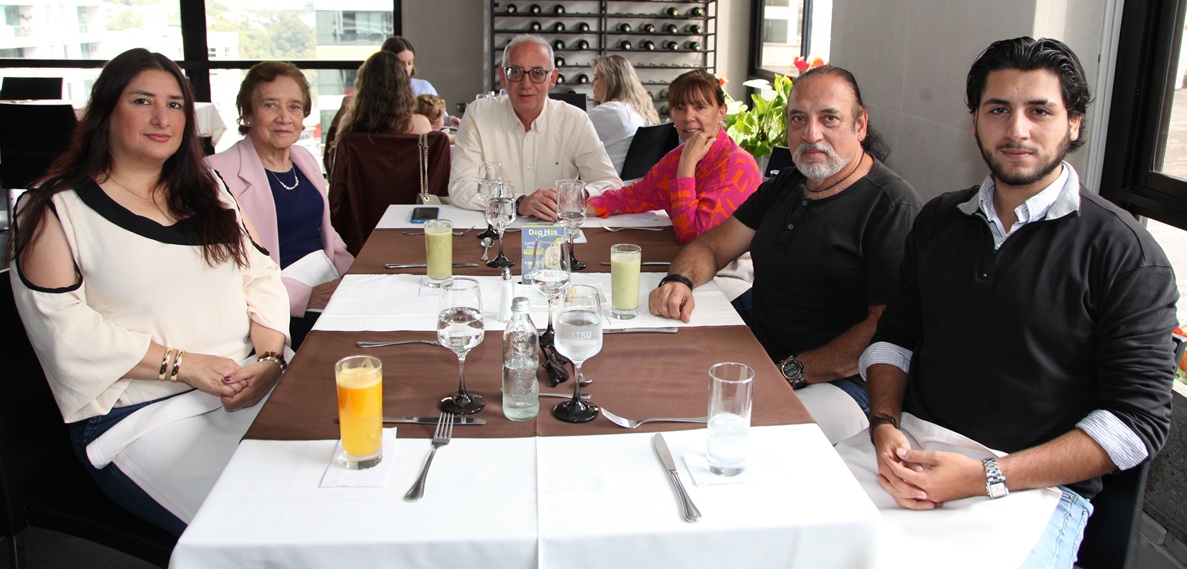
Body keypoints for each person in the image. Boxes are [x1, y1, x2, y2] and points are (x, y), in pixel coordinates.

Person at [855, 37, 1176, 567]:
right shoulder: (938, 220)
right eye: (998, 110)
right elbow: (894, 338)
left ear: (1073, 123)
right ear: (975, 121)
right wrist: (884, 421)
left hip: (1034, 487)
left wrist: (986, 476)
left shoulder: (1125, 254)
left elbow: (1137, 422)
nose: (1016, 130)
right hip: (913, 451)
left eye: (1040, 111)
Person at [6, 48, 289, 535]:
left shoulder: (210, 189)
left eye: (176, 104)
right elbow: (63, 332)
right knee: (262, 529)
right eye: (142, 101)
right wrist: (186, 364)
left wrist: (268, 360)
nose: (162, 118)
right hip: (142, 418)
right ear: (105, 111)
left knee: (340, 482)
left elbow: (259, 275)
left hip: (247, 389)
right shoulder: (54, 208)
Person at [648, 65, 921, 434]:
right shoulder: (789, 184)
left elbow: (884, 329)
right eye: (798, 118)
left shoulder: (890, 206)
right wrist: (679, 280)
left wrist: (793, 371)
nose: (811, 134)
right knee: (658, 370)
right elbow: (711, 247)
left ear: (860, 125)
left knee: (737, 435)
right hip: (759, 348)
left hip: (843, 383)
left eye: (829, 118)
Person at [205, 62, 353, 349]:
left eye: (294, 107)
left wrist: (355, 274)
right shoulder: (215, 173)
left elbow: (325, 234)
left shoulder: (303, 159)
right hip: (276, 307)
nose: (285, 117)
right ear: (247, 114)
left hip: (327, 282)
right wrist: (305, 296)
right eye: (270, 105)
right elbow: (224, 269)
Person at [448, 34, 622, 219]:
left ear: (553, 78)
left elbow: (610, 183)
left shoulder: (575, 120)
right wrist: (518, 202)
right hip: (499, 229)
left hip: (556, 231)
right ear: (503, 77)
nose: (526, 84)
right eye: (515, 71)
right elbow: (461, 187)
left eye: (537, 73)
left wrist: (573, 195)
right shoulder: (478, 114)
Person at [588, 70, 760, 244]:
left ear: (721, 112)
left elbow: (691, 234)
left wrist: (687, 165)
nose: (688, 117)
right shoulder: (676, 158)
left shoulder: (738, 165)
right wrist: (582, 207)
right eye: (679, 108)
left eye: (700, 107)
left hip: (729, 268)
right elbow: (636, 196)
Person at [323, 36, 450, 171]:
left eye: (410, 63)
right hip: (409, 191)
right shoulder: (420, 125)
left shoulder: (348, 129)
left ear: (363, 86)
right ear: (405, 87)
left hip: (363, 192)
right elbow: (430, 173)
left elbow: (334, 169)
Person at [587, 54, 660, 175]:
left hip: (607, 187)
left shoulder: (609, 112)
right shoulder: (639, 109)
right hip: (635, 186)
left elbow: (569, 142)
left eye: (596, 78)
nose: (592, 84)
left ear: (610, 80)